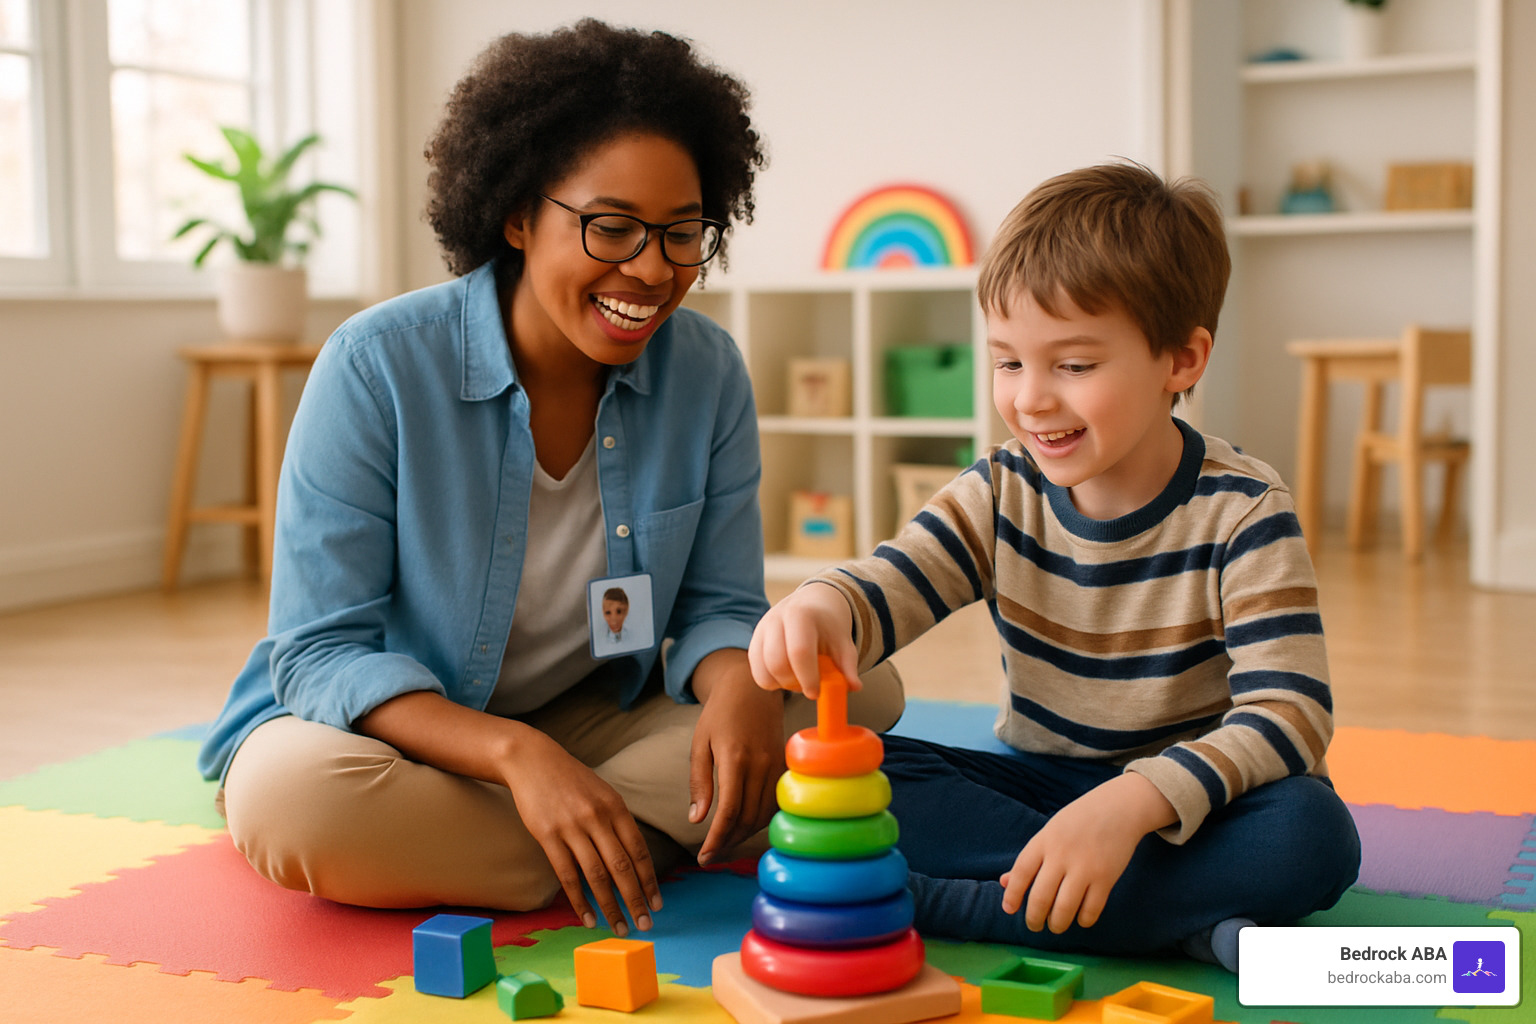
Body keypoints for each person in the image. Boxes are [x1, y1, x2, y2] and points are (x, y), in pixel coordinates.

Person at [195, 19, 903, 938]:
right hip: (410, 740)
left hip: (600, 713)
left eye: (683, 234)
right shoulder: (374, 368)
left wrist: (739, 691)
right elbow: (319, 653)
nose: (650, 270)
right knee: (292, 803)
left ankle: (561, 842)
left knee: (857, 681)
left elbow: (723, 605)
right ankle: (639, 842)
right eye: (611, 227)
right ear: (520, 215)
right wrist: (515, 756)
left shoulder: (709, 371)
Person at [748, 162, 1359, 971]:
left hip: (1191, 807)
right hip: (1036, 791)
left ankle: (959, 905)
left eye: (1072, 365)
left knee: (1311, 836)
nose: (1031, 399)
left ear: (1182, 360)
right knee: (864, 770)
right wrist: (822, 604)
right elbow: (890, 582)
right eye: (1008, 362)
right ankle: (1176, 919)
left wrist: (1132, 805)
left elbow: (1290, 716)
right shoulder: (1001, 491)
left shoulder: (1243, 510)